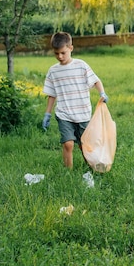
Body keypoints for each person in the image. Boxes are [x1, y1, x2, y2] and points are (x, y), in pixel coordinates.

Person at [42, 32, 109, 169]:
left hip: (82, 112)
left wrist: (102, 92)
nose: (60, 57)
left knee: (84, 144)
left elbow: (96, 81)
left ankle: (91, 168)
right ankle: (69, 172)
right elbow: (51, 94)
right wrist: (47, 114)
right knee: (68, 144)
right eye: (56, 53)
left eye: (63, 53)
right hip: (64, 113)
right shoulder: (53, 71)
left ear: (71, 48)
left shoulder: (81, 65)